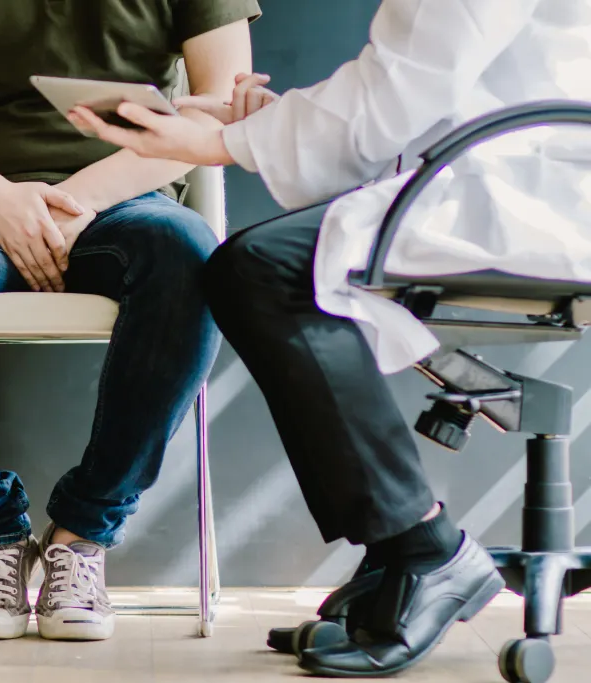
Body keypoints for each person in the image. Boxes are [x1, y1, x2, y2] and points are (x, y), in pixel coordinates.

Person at [71, 0, 591, 676]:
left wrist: (222, 143)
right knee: (257, 266)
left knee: (264, 269)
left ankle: (422, 546)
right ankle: (394, 551)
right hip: (493, 170)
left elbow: (403, 90)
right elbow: (403, 89)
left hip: (532, 190)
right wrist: (263, 126)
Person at [0, 0, 261, 641]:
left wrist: (83, 200)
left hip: (130, 203)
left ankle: (82, 537)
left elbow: (220, 107)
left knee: (193, 262)